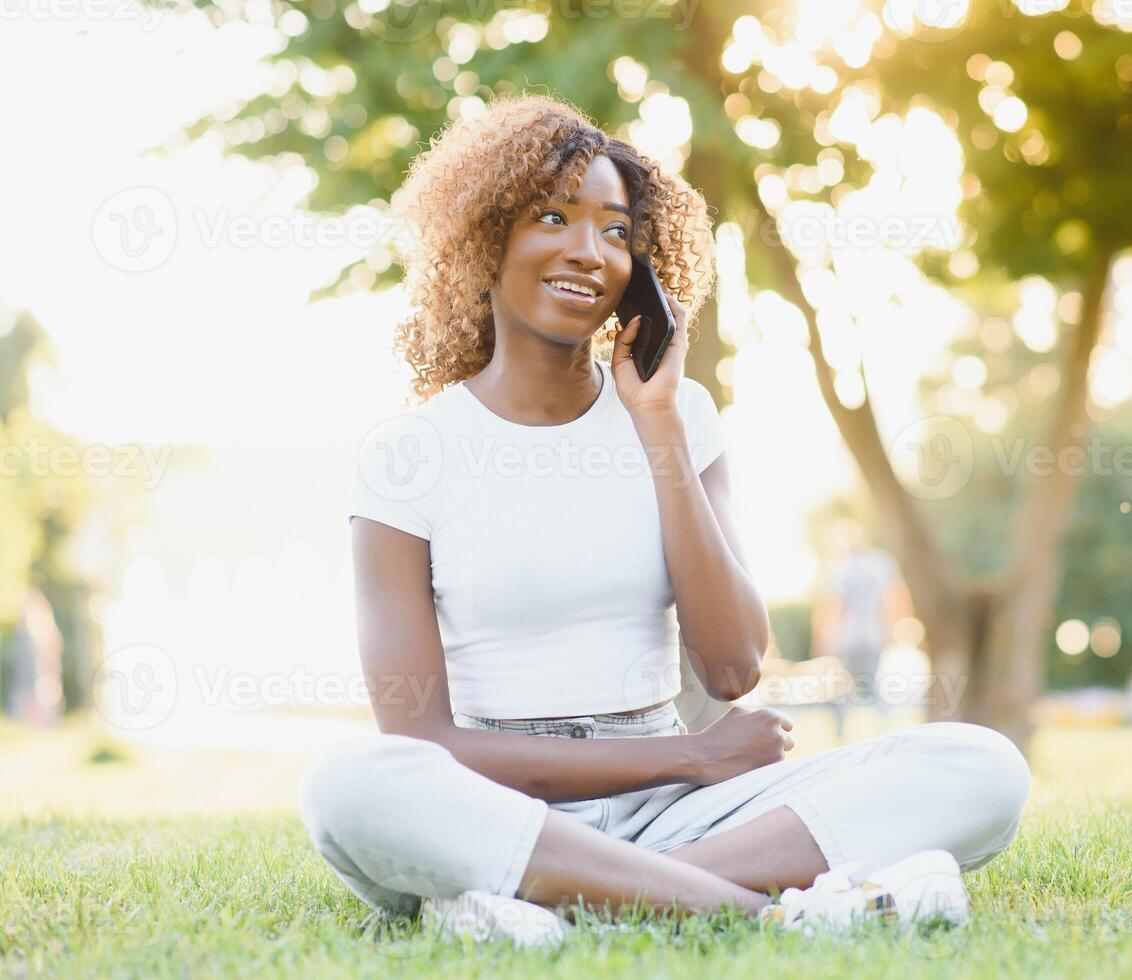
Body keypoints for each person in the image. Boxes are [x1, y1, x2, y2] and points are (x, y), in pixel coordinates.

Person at [298, 92, 1030, 948]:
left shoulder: (681, 419)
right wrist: (690, 756)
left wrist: (661, 430)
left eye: (616, 231)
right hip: (499, 807)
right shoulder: (407, 455)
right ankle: (781, 916)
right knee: (351, 784)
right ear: (484, 237)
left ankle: (555, 908)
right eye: (552, 217)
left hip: (677, 818)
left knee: (980, 767)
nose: (589, 251)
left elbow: (731, 667)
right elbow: (423, 739)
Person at [811, 523, 910, 738]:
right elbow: (894, 599)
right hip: (874, 637)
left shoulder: (839, 566)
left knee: (842, 689)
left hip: (845, 640)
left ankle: (841, 733)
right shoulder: (881, 564)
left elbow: (832, 607)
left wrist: (822, 640)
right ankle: (886, 730)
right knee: (874, 685)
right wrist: (894, 631)